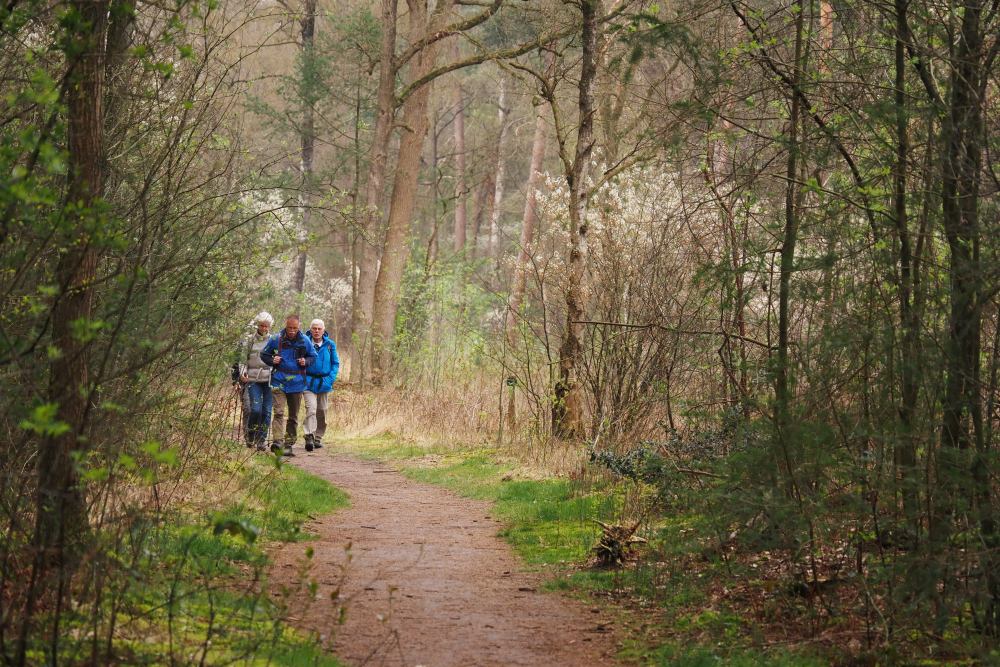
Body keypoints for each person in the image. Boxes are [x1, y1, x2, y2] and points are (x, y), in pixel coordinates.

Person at [260, 314, 317, 457]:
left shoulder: (304, 341)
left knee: (293, 416)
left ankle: (288, 445)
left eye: (295, 328)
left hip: (297, 383)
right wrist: (273, 360)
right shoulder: (276, 339)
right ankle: (277, 442)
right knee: (278, 412)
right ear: (286, 325)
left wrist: (306, 361)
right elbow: (263, 355)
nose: (292, 330)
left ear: (299, 327)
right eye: (289, 327)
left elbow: (313, 356)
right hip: (279, 380)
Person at [231, 312, 274, 451]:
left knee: (267, 411)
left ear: (270, 326)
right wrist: (243, 374)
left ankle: (261, 440)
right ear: (257, 325)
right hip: (253, 379)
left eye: (266, 326)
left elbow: (278, 359)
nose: (263, 328)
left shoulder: (274, 340)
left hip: (269, 380)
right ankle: (250, 432)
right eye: (261, 325)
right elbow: (242, 360)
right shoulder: (249, 341)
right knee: (255, 409)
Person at [303, 319, 339, 452]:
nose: (317, 331)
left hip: (325, 382)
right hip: (308, 382)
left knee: (322, 411)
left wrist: (330, 379)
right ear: (310, 330)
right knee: (311, 408)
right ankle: (308, 436)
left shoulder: (330, 345)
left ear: (324, 331)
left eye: (319, 329)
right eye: (314, 328)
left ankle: (318, 437)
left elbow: (335, 363)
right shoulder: (305, 343)